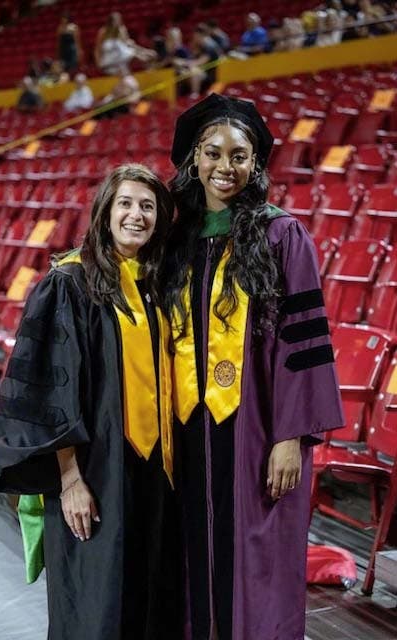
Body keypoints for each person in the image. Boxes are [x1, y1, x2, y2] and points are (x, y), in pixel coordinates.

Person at [163, 94, 344, 640]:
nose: (225, 167)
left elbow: (304, 342)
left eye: (239, 156)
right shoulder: (174, 240)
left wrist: (292, 437)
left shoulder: (281, 235)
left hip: (256, 429)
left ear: (256, 164)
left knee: (256, 558)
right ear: (194, 160)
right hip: (184, 426)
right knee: (188, 549)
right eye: (213, 154)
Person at [0, 164, 182, 640]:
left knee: (146, 597)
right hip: (95, 469)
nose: (136, 215)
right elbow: (51, 390)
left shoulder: (154, 286)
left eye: (147, 206)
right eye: (125, 204)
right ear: (104, 212)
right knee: (94, 603)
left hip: (151, 472)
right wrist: (70, 480)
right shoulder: (69, 283)